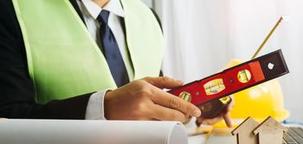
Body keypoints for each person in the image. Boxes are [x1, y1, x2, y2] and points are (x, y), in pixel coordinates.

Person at [0, 0, 230, 125]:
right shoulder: (11, 10)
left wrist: (191, 107)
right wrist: (103, 108)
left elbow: (147, 100)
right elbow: (7, 117)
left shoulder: (148, 18)